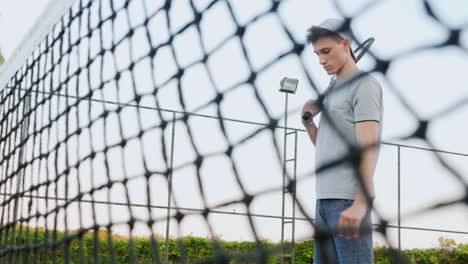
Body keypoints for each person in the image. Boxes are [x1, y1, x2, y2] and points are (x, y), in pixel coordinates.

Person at [302, 18, 383, 264]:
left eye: (326, 51)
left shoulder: (365, 85)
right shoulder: (332, 93)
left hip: (349, 201)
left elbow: (367, 148)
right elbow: (326, 148)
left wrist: (360, 202)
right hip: (323, 201)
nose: (321, 60)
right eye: (317, 54)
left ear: (346, 44)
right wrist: (308, 122)